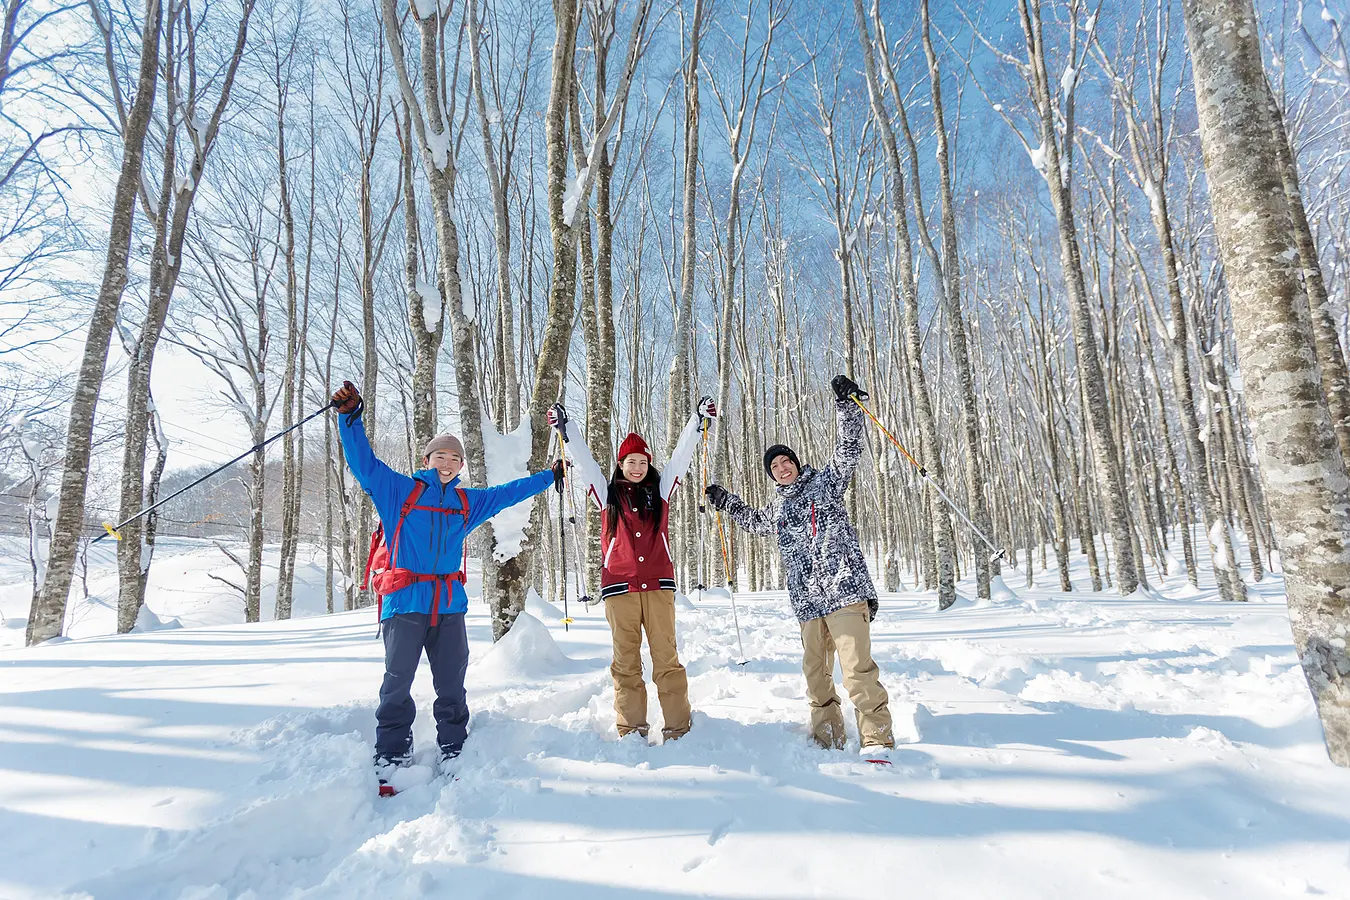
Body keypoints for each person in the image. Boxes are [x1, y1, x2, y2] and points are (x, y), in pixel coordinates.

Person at [331, 380, 563, 777]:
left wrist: (548, 477)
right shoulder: (398, 491)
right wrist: (351, 417)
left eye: (454, 457)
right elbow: (363, 463)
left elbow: (506, 493)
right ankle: (391, 750)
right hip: (405, 603)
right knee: (397, 683)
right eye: (440, 454)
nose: (447, 461)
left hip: (450, 607)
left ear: (460, 466)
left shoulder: (464, 502)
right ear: (427, 458)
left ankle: (453, 745)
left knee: (452, 684)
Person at [704, 375, 895, 755]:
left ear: (795, 462)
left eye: (785, 460)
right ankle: (828, 738)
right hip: (808, 604)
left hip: (844, 592)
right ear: (771, 475)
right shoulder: (778, 507)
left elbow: (848, 449)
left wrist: (846, 406)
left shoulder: (826, 483)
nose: (782, 467)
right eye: (774, 466)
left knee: (857, 670)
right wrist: (727, 501)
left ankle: (877, 740)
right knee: (816, 677)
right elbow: (756, 523)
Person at [546, 398, 714, 741]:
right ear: (620, 464)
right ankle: (631, 729)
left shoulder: (660, 491)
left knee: (666, 659)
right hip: (619, 589)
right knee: (625, 663)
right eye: (630, 462)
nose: (636, 467)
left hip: (658, 587)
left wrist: (697, 424)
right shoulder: (607, 494)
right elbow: (586, 461)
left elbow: (681, 459)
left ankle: (679, 731)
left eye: (642, 462)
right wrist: (567, 431)